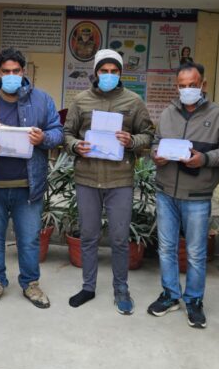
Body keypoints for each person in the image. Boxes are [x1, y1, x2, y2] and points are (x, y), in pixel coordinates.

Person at [0, 47, 63, 309]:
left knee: (29, 239)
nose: (11, 76)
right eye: (5, 71)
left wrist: (43, 138)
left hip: (28, 185)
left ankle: (31, 284)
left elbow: (58, 132)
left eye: (15, 71)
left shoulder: (42, 100)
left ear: (24, 71)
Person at [63, 49, 154, 315]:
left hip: (119, 179)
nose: (109, 75)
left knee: (120, 238)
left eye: (114, 71)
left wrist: (132, 141)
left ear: (120, 73)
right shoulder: (80, 100)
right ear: (96, 72)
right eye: (104, 71)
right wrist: (76, 145)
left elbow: (148, 134)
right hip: (87, 178)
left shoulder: (133, 101)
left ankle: (121, 288)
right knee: (89, 236)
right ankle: (88, 287)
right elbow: (66, 133)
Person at [148, 62, 219, 328]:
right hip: (166, 192)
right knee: (166, 248)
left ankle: (194, 300)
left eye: (193, 85)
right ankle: (170, 295)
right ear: (177, 86)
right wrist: (156, 155)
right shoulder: (168, 113)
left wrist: (204, 159)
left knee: (196, 252)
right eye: (182, 86)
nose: (187, 90)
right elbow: (155, 142)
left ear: (203, 85)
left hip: (197, 195)